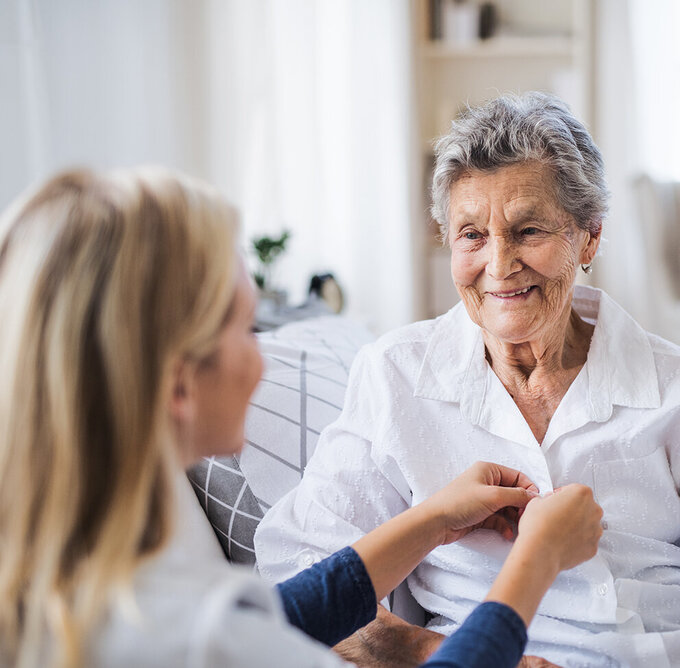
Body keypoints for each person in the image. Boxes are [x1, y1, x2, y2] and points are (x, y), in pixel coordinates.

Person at [255, 92, 680, 668]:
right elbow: (301, 570)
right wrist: (429, 652)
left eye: (529, 230)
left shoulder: (679, 386)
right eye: (472, 234)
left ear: (589, 235)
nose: (499, 265)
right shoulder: (395, 378)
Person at [0, 167, 605, 668]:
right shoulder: (195, 641)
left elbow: (281, 614)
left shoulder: (77, 587)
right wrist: (537, 562)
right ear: (180, 383)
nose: (263, 360)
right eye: (245, 327)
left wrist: (431, 519)